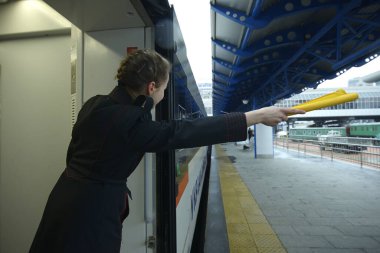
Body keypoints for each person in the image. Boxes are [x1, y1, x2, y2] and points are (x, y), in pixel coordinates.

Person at [29, 49, 304, 253]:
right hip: (93, 214)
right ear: (151, 87)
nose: (163, 94)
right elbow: (182, 132)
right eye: (163, 88)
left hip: (63, 198)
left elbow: (74, 151)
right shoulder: (131, 121)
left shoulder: (95, 104)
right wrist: (255, 116)